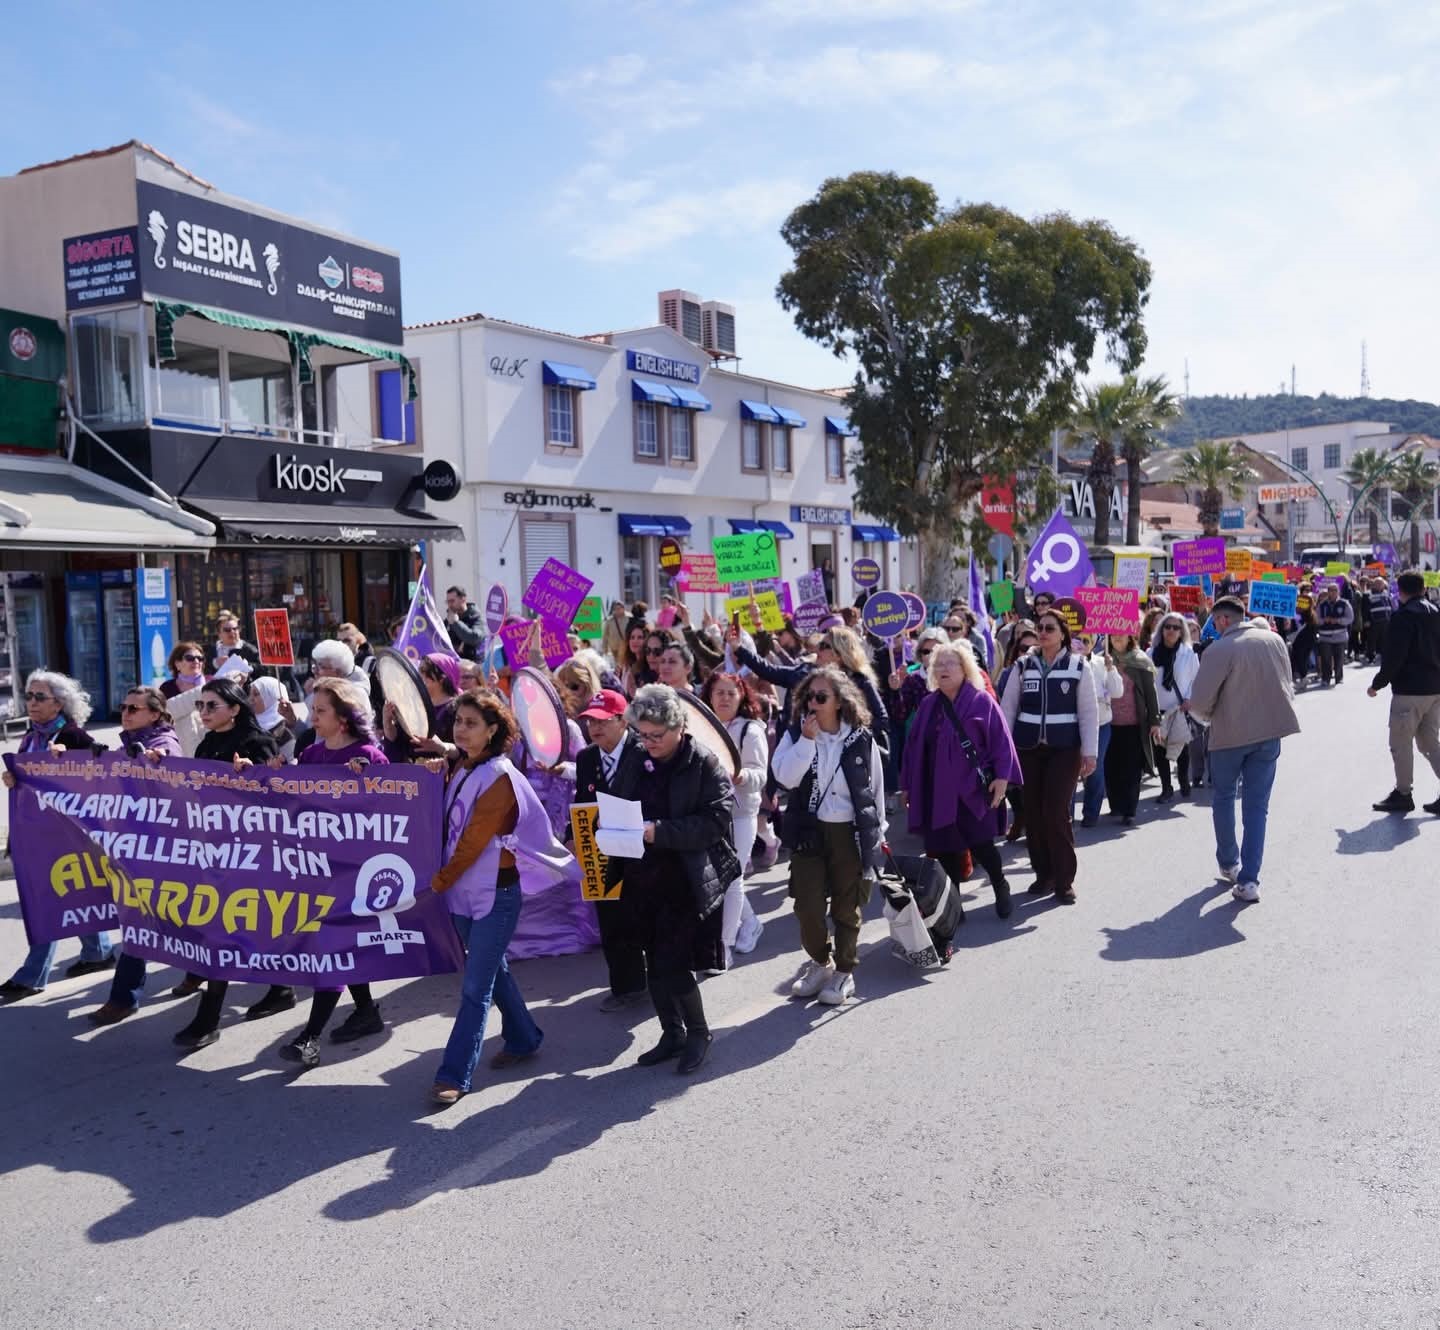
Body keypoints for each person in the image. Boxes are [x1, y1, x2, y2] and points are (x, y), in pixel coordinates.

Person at [428, 690, 574, 1105]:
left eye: (471, 723)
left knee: (476, 986)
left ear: (493, 731)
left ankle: (453, 1073)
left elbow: (472, 843)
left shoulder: (500, 777)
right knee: (494, 970)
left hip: (495, 894)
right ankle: (525, 1037)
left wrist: (436, 884)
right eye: (458, 721)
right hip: (460, 893)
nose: (461, 729)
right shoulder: (461, 766)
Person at [609, 685, 738, 1073]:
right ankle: (671, 1032)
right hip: (640, 874)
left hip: (685, 877)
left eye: (656, 736)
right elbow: (618, 796)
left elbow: (716, 821)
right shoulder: (637, 755)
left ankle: (698, 1033)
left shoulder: (703, 762)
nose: (647, 743)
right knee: (652, 959)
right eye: (642, 735)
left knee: (673, 962)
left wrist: (658, 831)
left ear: (678, 727)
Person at [274, 679, 389, 1066]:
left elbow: (393, 813)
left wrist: (368, 783)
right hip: (315, 870)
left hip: (354, 873)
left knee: (333, 948)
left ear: (343, 719)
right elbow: (289, 802)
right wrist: (264, 774)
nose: (313, 717)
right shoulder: (309, 755)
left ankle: (309, 1038)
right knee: (341, 948)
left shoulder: (369, 756)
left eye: (320, 711)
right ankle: (368, 1011)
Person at [170, 677, 283, 1048]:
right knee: (238, 927)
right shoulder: (208, 742)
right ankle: (281, 987)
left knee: (224, 929)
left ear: (235, 709)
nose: (202, 713)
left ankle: (208, 1019)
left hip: (252, 855)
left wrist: (253, 776)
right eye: (200, 706)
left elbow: (282, 799)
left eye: (210, 706)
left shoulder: (258, 743)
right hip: (214, 851)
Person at [772, 666, 887, 1006]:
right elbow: (785, 778)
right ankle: (821, 962)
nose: (813, 702)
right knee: (807, 905)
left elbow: (874, 789)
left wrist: (878, 832)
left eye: (821, 697)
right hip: (810, 832)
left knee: (846, 906)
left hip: (849, 832)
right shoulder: (796, 735)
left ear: (839, 702)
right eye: (809, 696)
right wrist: (806, 742)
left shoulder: (860, 738)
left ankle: (843, 972)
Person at [0, 671, 114, 1001]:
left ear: (59, 703)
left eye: (39, 697)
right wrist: (14, 779)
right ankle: (98, 952)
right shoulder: (30, 735)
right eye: (29, 696)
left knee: (46, 903)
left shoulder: (74, 735)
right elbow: (28, 782)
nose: (31, 703)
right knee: (75, 895)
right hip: (39, 835)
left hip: (68, 837)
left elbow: (100, 772)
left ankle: (32, 975)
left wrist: (68, 764)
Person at [1186, 596, 1300, 904]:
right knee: (1256, 808)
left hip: (1229, 735)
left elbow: (1199, 702)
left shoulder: (1220, 648)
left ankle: (1229, 862)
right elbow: (1286, 682)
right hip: (1269, 733)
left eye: (1214, 621)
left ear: (1223, 620)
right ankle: (1250, 879)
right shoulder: (1274, 640)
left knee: (1223, 798)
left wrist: (1206, 718)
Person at [900, 641, 1021, 920]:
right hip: (936, 790)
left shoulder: (981, 700)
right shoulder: (929, 704)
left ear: (965, 669)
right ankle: (953, 906)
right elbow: (913, 748)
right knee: (944, 850)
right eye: (938, 664)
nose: (942, 669)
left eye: (949, 664)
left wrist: (1002, 779)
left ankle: (1000, 884)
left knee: (982, 845)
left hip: (972, 790)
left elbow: (1002, 742)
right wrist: (907, 786)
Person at [999, 610, 1098, 903]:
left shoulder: (1079, 666)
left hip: (1065, 749)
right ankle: (1044, 875)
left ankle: (1064, 879)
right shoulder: (1022, 665)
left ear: (1063, 633)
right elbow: (1007, 709)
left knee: (1056, 812)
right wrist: (1004, 749)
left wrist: (1090, 753)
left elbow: (1089, 713)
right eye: (1040, 627)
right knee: (1033, 813)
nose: (1042, 632)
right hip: (1029, 749)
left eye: (1049, 628)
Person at [574, 689, 649, 1010]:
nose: (595, 727)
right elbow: (582, 801)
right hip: (603, 850)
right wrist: (572, 835)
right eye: (590, 721)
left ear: (623, 721)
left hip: (646, 846)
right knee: (612, 919)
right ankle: (626, 987)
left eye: (603, 720)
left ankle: (666, 982)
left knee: (650, 918)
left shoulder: (645, 751)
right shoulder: (586, 758)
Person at [732, 622, 890, 758]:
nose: (818, 650)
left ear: (840, 654)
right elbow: (770, 671)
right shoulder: (804, 673)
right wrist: (738, 648)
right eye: (820, 644)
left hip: (844, 756)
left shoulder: (859, 682)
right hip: (805, 752)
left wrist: (845, 731)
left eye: (824, 646)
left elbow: (881, 719)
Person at [699, 671, 767, 958]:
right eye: (719, 692)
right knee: (721, 876)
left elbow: (760, 775)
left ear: (741, 697)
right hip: (709, 814)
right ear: (710, 697)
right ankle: (751, 922)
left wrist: (739, 777)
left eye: (731, 693)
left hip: (740, 814)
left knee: (731, 878)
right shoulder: (700, 728)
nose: (725, 698)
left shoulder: (750, 730)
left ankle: (723, 945)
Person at [1368, 571, 1440, 814]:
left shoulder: (1403, 617)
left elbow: (1394, 656)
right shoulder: (1436, 613)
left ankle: (1403, 793)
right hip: (1434, 689)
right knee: (1430, 742)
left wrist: (1378, 683)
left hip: (1410, 690)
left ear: (1401, 591)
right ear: (1423, 588)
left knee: (1400, 743)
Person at [1103, 633, 1160, 825]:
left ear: (1129, 637)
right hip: (1108, 723)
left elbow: (1151, 694)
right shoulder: (1101, 660)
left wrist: (1154, 721)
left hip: (1134, 724)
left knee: (1131, 768)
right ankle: (1115, 805)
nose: (1117, 639)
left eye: (1121, 636)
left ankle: (1130, 809)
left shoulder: (1140, 661)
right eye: (1113, 637)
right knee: (1111, 766)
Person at [1149, 612, 1199, 803]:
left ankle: (1184, 780)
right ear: (1161, 630)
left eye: (1175, 628)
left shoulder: (1188, 653)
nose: (1171, 631)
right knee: (1160, 752)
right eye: (1167, 627)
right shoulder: (1151, 654)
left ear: (1181, 631)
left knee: (1181, 749)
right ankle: (1166, 788)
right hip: (1159, 709)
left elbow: (1197, 679)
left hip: (1179, 709)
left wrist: (1190, 700)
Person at [1075, 635, 1124, 827]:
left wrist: (1111, 669)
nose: (1083, 644)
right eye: (1078, 640)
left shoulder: (1102, 663)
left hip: (1100, 724)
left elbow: (1117, 691)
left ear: (1094, 642)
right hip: (1073, 724)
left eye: (1087, 641)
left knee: (1094, 769)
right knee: (1070, 770)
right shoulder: (1067, 662)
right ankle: (1066, 816)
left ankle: (1091, 813)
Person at [117, 686, 183, 759]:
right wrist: (103, 758)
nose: (125, 713)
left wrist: (161, 761)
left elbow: (176, 768)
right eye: (123, 707)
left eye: (133, 708)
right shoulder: (129, 741)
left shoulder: (166, 745)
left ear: (154, 716)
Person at [1315, 582, 1354, 687]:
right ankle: (1325, 679)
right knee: (1326, 659)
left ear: (1338, 592)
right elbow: (1316, 619)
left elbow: (1350, 618)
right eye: (1330, 590)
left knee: (1339, 658)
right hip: (1325, 637)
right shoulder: (1322, 605)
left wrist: (1338, 620)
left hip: (1340, 636)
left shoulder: (1344, 603)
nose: (1332, 593)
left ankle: (1339, 678)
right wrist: (1324, 620)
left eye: (1334, 590)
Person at [249, 675, 296, 760]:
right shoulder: (249, 724)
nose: (250, 699)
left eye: (256, 694)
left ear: (270, 697)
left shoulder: (284, 732)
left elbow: (292, 765)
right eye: (250, 694)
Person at [445, 586, 484, 660]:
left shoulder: (476, 616)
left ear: (463, 599)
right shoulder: (448, 619)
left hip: (472, 667)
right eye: (448, 602)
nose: (449, 605)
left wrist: (456, 623)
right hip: (454, 665)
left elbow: (474, 638)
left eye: (452, 601)